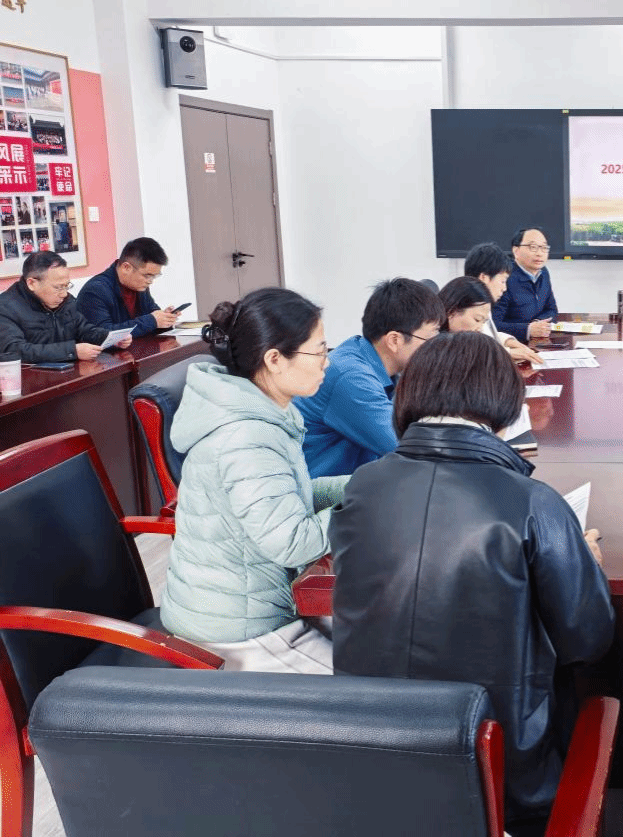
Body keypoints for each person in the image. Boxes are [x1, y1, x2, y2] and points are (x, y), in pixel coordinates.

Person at [331, 332, 613, 836]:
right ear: (504, 403)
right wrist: (583, 565)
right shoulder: (533, 502)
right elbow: (587, 641)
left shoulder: (363, 486)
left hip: (373, 755)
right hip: (502, 770)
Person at [160, 287, 346, 673]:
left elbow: (288, 497)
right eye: (319, 351)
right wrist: (365, 508)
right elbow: (293, 542)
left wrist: (364, 486)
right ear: (274, 359)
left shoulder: (260, 408)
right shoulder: (246, 436)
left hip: (258, 603)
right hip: (235, 630)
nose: (327, 362)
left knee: (378, 649)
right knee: (375, 697)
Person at [295, 277, 445, 478]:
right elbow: (409, 447)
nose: (436, 348)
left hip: (358, 482)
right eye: (430, 339)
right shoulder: (351, 377)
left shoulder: (383, 367)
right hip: (323, 491)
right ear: (394, 340)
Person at [0, 251, 129, 363]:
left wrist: (110, 338)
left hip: (69, 373)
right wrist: (72, 351)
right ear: (32, 283)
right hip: (30, 379)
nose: (64, 294)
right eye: (58, 287)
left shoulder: (66, 301)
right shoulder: (5, 307)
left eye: (66, 286)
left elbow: (83, 329)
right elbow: (14, 351)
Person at [77, 236, 183, 337]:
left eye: (154, 276)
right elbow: (102, 334)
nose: (150, 281)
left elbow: (151, 315)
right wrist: (152, 321)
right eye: (147, 276)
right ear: (126, 268)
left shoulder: (140, 286)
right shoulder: (95, 291)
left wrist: (164, 319)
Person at [465, 241, 544, 364]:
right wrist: (508, 353)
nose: (504, 288)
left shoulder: (481, 303)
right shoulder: (467, 309)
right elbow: (472, 351)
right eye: (502, 281)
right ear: (484, 278)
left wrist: (509, 342)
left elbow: (489, 335)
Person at [493, 227, 557, 343]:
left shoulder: (544, 273)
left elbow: (551, 309)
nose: (539, 253)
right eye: (533, 247)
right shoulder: (504, 277)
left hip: (537, 342)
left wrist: (538, 323)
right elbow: (492, 325)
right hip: (510, 345)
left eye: (544, 248)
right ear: (516, 251)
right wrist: (527, 329)